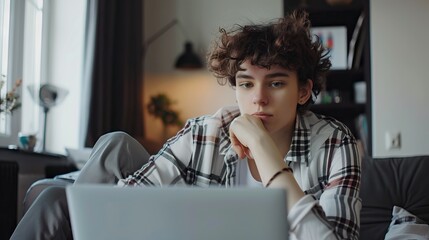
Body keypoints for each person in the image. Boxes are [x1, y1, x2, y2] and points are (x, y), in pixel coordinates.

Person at [11, 10, 361, 240]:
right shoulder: (207, 131)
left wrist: (267, 156)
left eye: (276, 83)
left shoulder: (335, 144)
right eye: (245, 84)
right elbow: (125, 204)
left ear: (303, 91)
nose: (258, 99)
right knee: (58, 196)